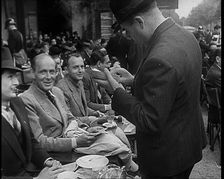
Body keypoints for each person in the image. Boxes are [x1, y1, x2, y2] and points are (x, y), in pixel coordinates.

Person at [96, 0, 207, 178]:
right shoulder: (185, 36)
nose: (130, 36)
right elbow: (176, 85)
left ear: (139, 22)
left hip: (167, 156)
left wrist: (117, 91)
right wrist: (135, 80)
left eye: (128, 31)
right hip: (187, 143)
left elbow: (149, 120)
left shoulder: (161, 56)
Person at [19, 53, 138, 172]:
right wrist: (75, 141)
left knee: (114, 136)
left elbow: (70, 118)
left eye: (52, 71)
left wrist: (86, 129)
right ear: (33, 73)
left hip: (75, 137)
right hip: (58, 153)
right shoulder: (27, 99)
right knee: (115, 147)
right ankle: (131, 168)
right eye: (43, 72)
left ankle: (130, 167)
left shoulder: (56, 91)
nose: (49, 76)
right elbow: (39, 142)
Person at [1, 46, 64, 178]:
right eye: (10, 77)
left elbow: (31, 141)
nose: (17, 82)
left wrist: (47, 161)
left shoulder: (16, 103)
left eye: (16, 77)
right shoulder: (25, 99)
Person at [83, 48, 112, 113]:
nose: (110, 65)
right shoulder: (85, 77)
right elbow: (87, 104)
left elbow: (103, 94)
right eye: (107, 63)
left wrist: (110, 102)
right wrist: (107, 107)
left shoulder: (99, 75)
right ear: (99, 63)